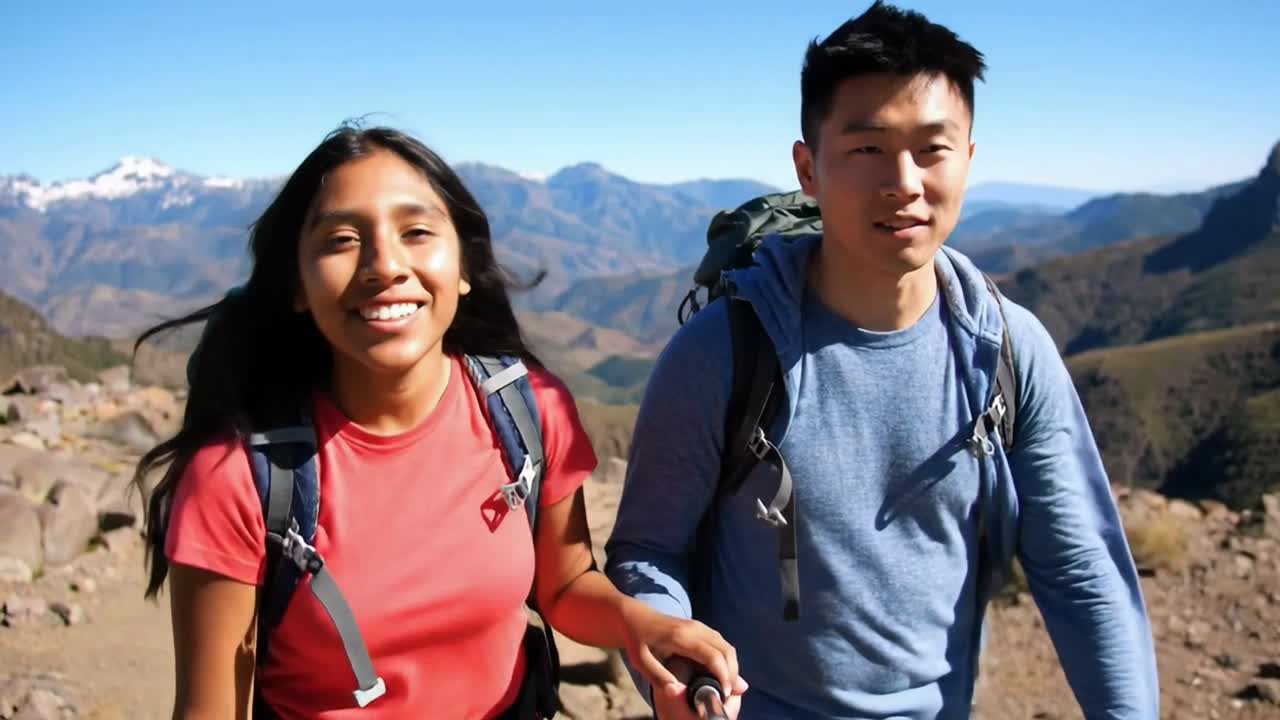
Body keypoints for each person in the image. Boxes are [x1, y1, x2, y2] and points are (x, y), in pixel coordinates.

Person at [604, 3, 1159, 719]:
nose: (904, 181)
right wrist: (678, 671)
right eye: (867, 150)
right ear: (809, 168)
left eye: (932, 149)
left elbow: (1082, 571)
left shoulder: (1009, 352)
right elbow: (649, 552)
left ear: (969, 159)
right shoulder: (721, 353)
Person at [132, 124, 746, 720]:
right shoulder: (239, 477)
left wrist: (647, 626)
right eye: (341, 239)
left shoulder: (529, 409)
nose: (384, 264)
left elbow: (563, 588)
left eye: (417, 231)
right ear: (296, 283)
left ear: (463, 267)